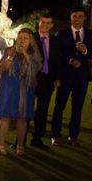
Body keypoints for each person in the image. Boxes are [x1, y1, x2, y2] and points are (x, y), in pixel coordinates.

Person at [51, 7, 92, 147]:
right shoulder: (62, 33)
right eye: (75, 16)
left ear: (85, 18)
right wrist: (70, 61)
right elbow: (58, 54)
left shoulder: (90, 34)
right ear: (71, 18)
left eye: (80, 16)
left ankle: (73, 135)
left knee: (77, 107)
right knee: (59, 105)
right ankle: (55, 134)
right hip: (65, 75)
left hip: (82, 77)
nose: (77, 19)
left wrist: (85, 51)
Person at [0, 28, 42, 155]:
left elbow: (35, 69)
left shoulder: (34, 54)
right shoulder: (9, 51)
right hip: (9, 87)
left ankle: (20, 145)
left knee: (22, 118)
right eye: (20, 38)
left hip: (25, 90)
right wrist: (11, 56)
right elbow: (2, 68)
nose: (22, 41)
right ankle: (1, 144)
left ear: (30, 40)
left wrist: (25, 55)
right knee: (5, 117)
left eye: (25, 38)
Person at [31, 13, 62, 148]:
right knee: (26, 108)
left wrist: (57, 78)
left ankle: (37, 138)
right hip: (32, 78)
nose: (45, 25)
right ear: (39, 23)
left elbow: (57, 61)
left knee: (42, 110)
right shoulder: (30, 37)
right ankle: (19, 140)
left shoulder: (55, 41)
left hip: (47, 79)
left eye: (48, 23)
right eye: (43, 22)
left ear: (52, 25)